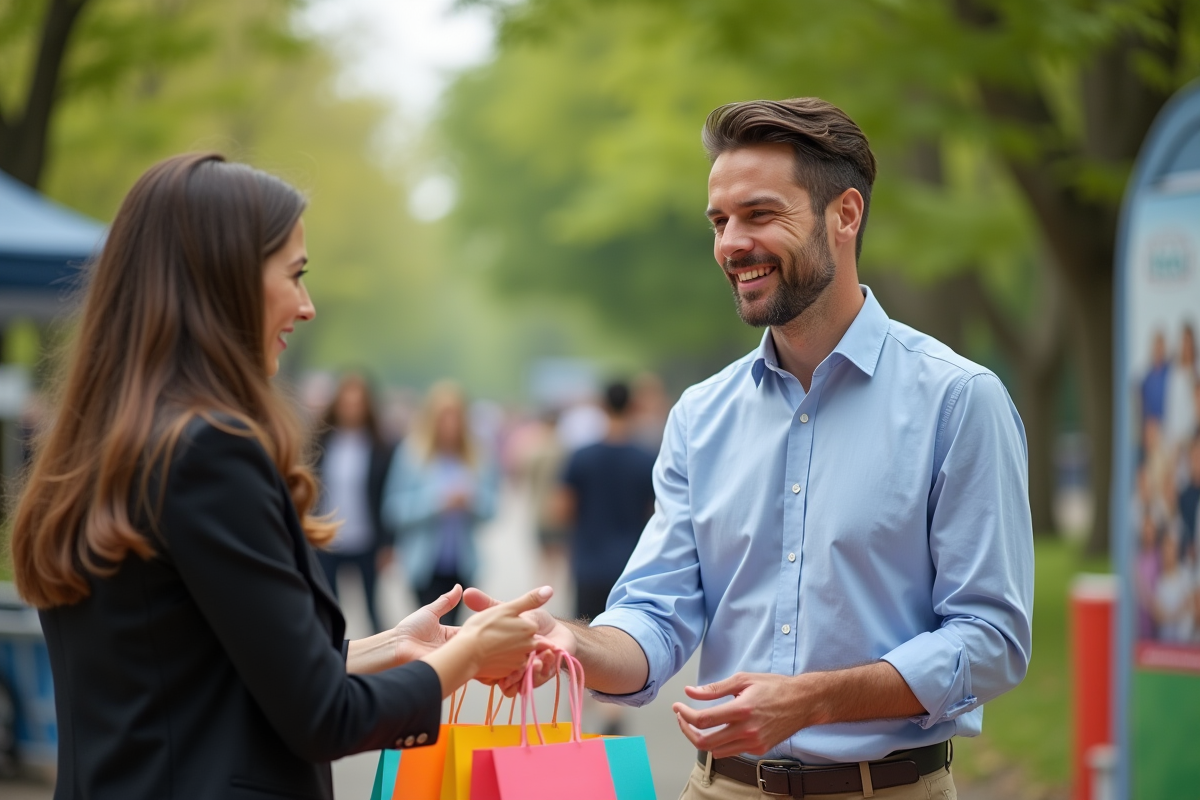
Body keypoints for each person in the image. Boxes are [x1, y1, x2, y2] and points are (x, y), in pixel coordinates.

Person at [470, 98, 1033, 799]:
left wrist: (815, 699)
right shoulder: (701, 415)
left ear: (845, 216)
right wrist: (571, 642)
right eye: (720, 221)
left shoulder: (958, 400)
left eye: (760, 215)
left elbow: (992, 640)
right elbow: (655, 613)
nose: (732, 243)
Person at [9, 153, 549, 800]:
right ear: (224, 278)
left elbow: (201, 670)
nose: (307, 306)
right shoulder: (210, 451)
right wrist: (470, 655)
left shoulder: (105, 445)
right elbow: (323, 717)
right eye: (294, 275)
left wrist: (396, 647)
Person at [552, 380, 656, 736]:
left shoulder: (581, 456)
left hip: (588, 560)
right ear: (633, 407)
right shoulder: (646, 458)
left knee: (582, 635)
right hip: (629, 564)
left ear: (600, 405)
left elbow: (562, 509)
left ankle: (577, 715)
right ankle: (612, 716)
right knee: (618, 637)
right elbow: (656, 513)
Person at [384, 380, 499, 625]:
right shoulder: (411, 454)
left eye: (456, 416)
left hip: (462, 563)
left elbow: (491, 509)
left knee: (451, 631)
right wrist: (437, 501)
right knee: (429, 630)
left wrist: (470, 499)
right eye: (444, 416)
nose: (451, 423)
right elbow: (393, 510)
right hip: (423, 564)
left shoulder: (477, 456)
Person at [315, 372, 397, 633]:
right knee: (328, 609)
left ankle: (383, 662)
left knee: (373, 608)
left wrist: (388, 543)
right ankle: (331, 663)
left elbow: (388, 496)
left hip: (366, 538)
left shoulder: (380, 446)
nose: (352, 408)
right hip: (328, 537)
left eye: (358, 402)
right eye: (346, 402)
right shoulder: (321, 441)